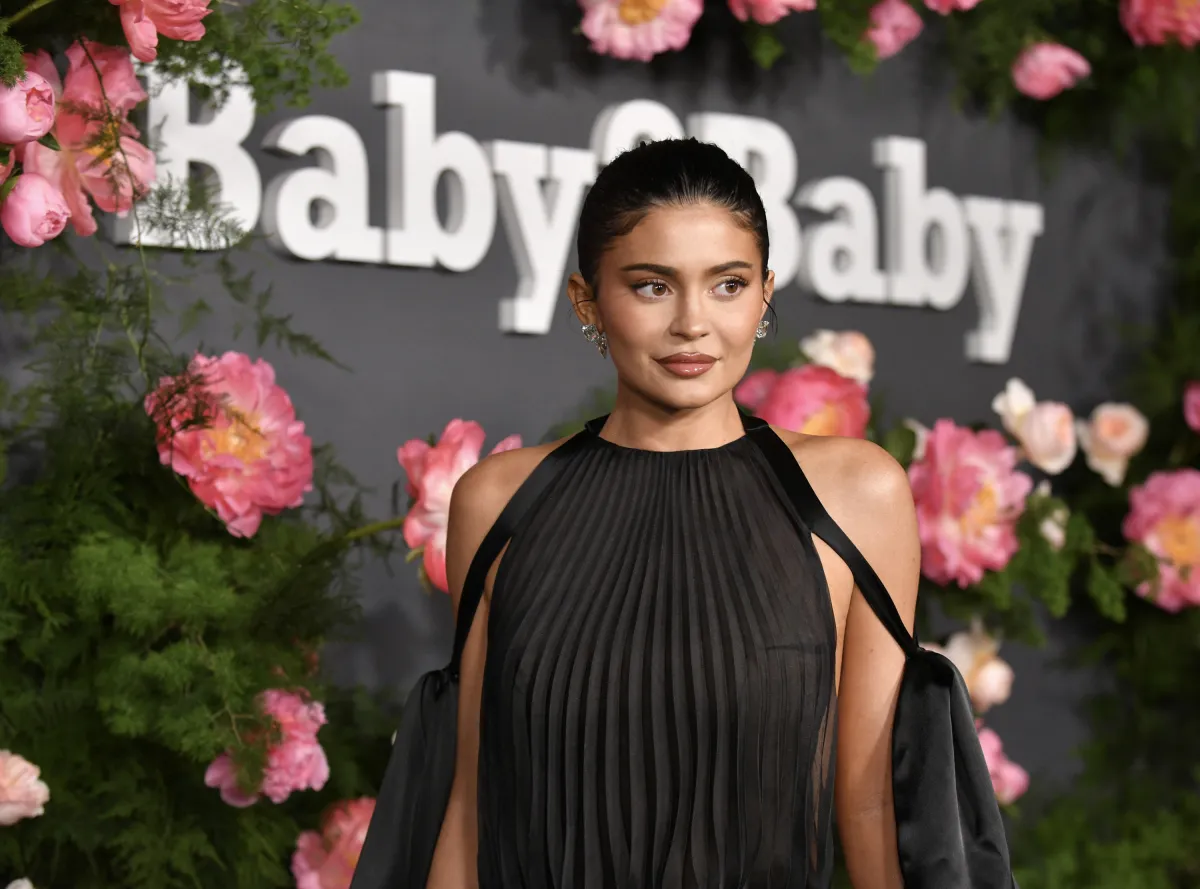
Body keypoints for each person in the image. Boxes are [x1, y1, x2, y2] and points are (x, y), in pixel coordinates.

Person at [425, 138, 920, 889]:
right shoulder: (497, 501)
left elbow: (871, 805)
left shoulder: (857, 493)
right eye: (653, 286)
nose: (693, 322)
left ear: (764, 294)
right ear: (587, 300)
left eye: (728, 285)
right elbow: (471, 805)